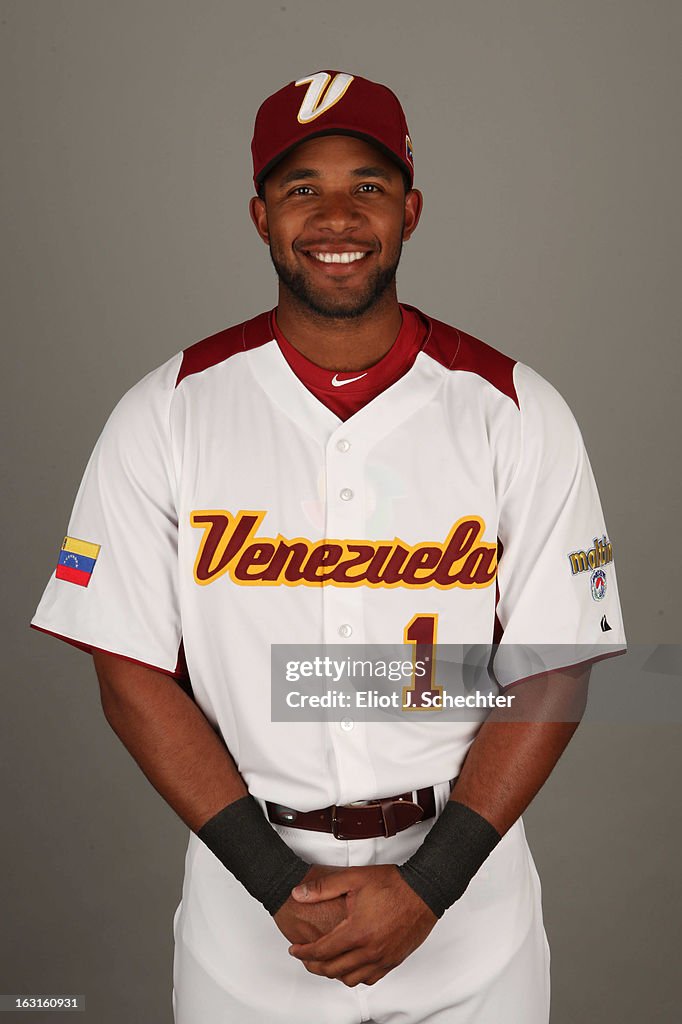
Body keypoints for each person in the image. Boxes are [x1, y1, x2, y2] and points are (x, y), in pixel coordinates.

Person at [31, 70, 626, 1023]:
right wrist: (278, 888)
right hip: (250, 910)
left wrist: (429, 887)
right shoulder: (166, 413)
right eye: (302, 188)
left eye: (368, 186)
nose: (336, 215)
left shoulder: (514, 410)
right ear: (260, 214)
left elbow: (553, 666)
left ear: (412, 209)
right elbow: (126, 668)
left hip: (470, 903)